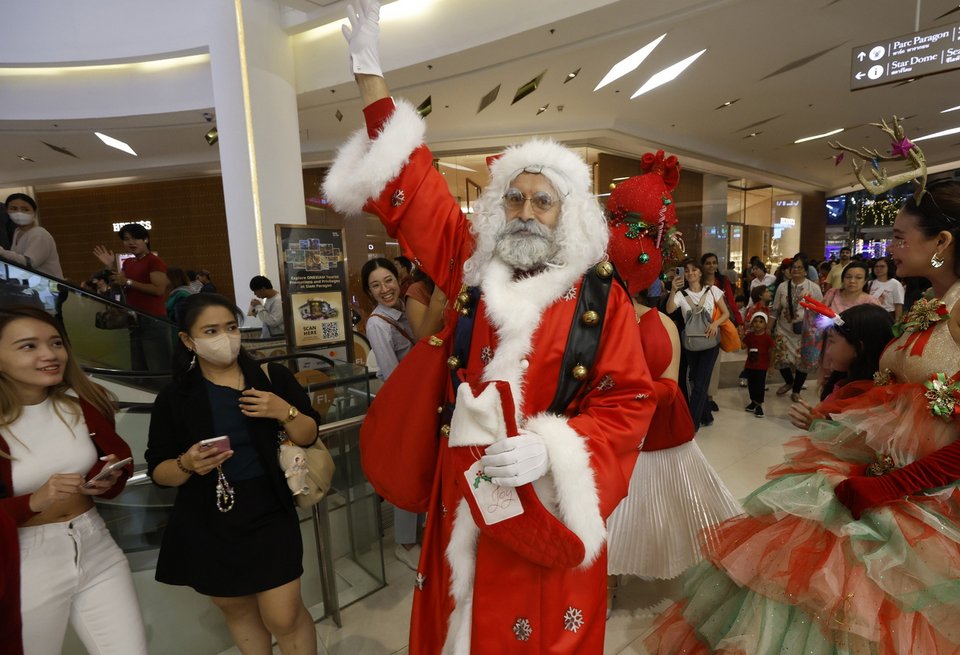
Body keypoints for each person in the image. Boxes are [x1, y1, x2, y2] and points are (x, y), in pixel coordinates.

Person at [322, 3, 655, 651]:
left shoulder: (601, 297)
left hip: (547, 504)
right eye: (515, 196)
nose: (526, 211)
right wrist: (369, 73)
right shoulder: (470, 263)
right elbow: (414, 184)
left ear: (568, 213)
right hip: (465, 496)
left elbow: (629, 401)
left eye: (543, 200)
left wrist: (557, 448)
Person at [644, 153, 960, 654]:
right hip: (875, 476)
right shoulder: (934, 303)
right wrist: (837, 414)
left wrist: (890, 486)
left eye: (900, 237)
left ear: (941, 242)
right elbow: (900, 397)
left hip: (920, 496)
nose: (890, 247)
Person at [145, 293, 319, 654]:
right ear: (188, 340)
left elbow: (309, 434)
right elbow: (159, 470)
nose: (225, 337)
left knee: (283, 615)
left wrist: (283, 411)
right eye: (211, 330)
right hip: (209, 518)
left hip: (269, 508)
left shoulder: (271, 376)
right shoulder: (175, 398)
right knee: (236, 609)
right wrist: (186, 464)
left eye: (231, 327)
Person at [604, 167, 740, 609]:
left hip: (654, 431)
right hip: (614, 434)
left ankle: (627, 571)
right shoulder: (605, 322)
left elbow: (669, 383)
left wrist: (629, 395)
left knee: (661, 504)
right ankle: (606, 576)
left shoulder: (659, 321)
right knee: (617, 507)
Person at [0, 305, 146, 654]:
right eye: (28, 346)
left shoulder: (81, 402)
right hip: (24, 560)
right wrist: (33, 501)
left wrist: (105, 478)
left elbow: (117, 462)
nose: (50, 355)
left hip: (95, 542)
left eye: (55, 343)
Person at [361, 257, 422, 568]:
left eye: (388, 281)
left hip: (420, 400)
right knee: (406, 472)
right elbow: (391, 373)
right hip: (403, 406)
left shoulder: (409, 309)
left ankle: (418, 532)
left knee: (420, 468)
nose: (384, 289)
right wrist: (410, 411)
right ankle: (405, 542)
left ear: (398, 279)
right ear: (369, 292)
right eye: (375, 285)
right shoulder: (377, 323)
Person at [93, 223, 171, 371]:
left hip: (153, 319)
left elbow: (159, 289)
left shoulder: (154, 261)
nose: (131, 242)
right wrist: (109, 267)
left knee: (158, 366)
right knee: (139, 366)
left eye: (136, 238)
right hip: (133, 319)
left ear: (146, 240)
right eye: (126, 239)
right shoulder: (128, 262)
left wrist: (128, 281)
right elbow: (119, 287)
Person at [666, 259, 729, 431]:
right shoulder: (680, 294)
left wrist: (715, 324)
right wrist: (673, 290)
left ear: (700, 273)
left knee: (700, 383)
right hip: (691, 344)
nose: (690, 273)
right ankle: (706, 415)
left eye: (694, 270)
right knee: (696, 380)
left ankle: (690, 424)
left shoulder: (713, 290)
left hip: (710, 342)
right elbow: (670, 309)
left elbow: (726, 313)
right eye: (687, 271)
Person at [770, 255, 822, 402]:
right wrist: (769, 328)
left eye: (799, 267)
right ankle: (788, 381)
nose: (796, 270)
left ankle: (796, 390)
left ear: (806, 271)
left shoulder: (813, 288)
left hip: (805, 331)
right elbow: (775, 309)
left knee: (802, 361)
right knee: (781, 358)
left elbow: (820, 310)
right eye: (793, 267)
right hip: (783, 328)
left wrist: (817, 330)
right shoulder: (782, 286)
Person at [0, 193, 64, 279]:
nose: (19, 213)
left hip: (50, 288)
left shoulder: (39, 234)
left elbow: (29, 263)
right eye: (13, 209)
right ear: (7, 212)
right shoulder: (18, 231)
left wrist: (2, 252)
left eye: (25, 209)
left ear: (34, 211)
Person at [741, 312, 775, 418]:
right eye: (755, 321)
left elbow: (772, 352)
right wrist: (739, 336)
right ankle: (753, 402)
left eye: (761, 322)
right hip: (750, 365)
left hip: (762, 366)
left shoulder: (767, 338)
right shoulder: (749, 336)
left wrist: (771, 366)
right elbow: (743, 346)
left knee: (759, 386)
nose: (757, 324)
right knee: (751, 385)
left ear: (765, 324)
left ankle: (759, 405)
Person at [868, 256, 905, 321]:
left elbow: (898, 306)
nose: (878, 269)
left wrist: (897, 323)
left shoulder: (895, 284)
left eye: (882, 266)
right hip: (871, 316)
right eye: (876, 266)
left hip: (888, 316)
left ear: (889, 268)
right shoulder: (870, 283)